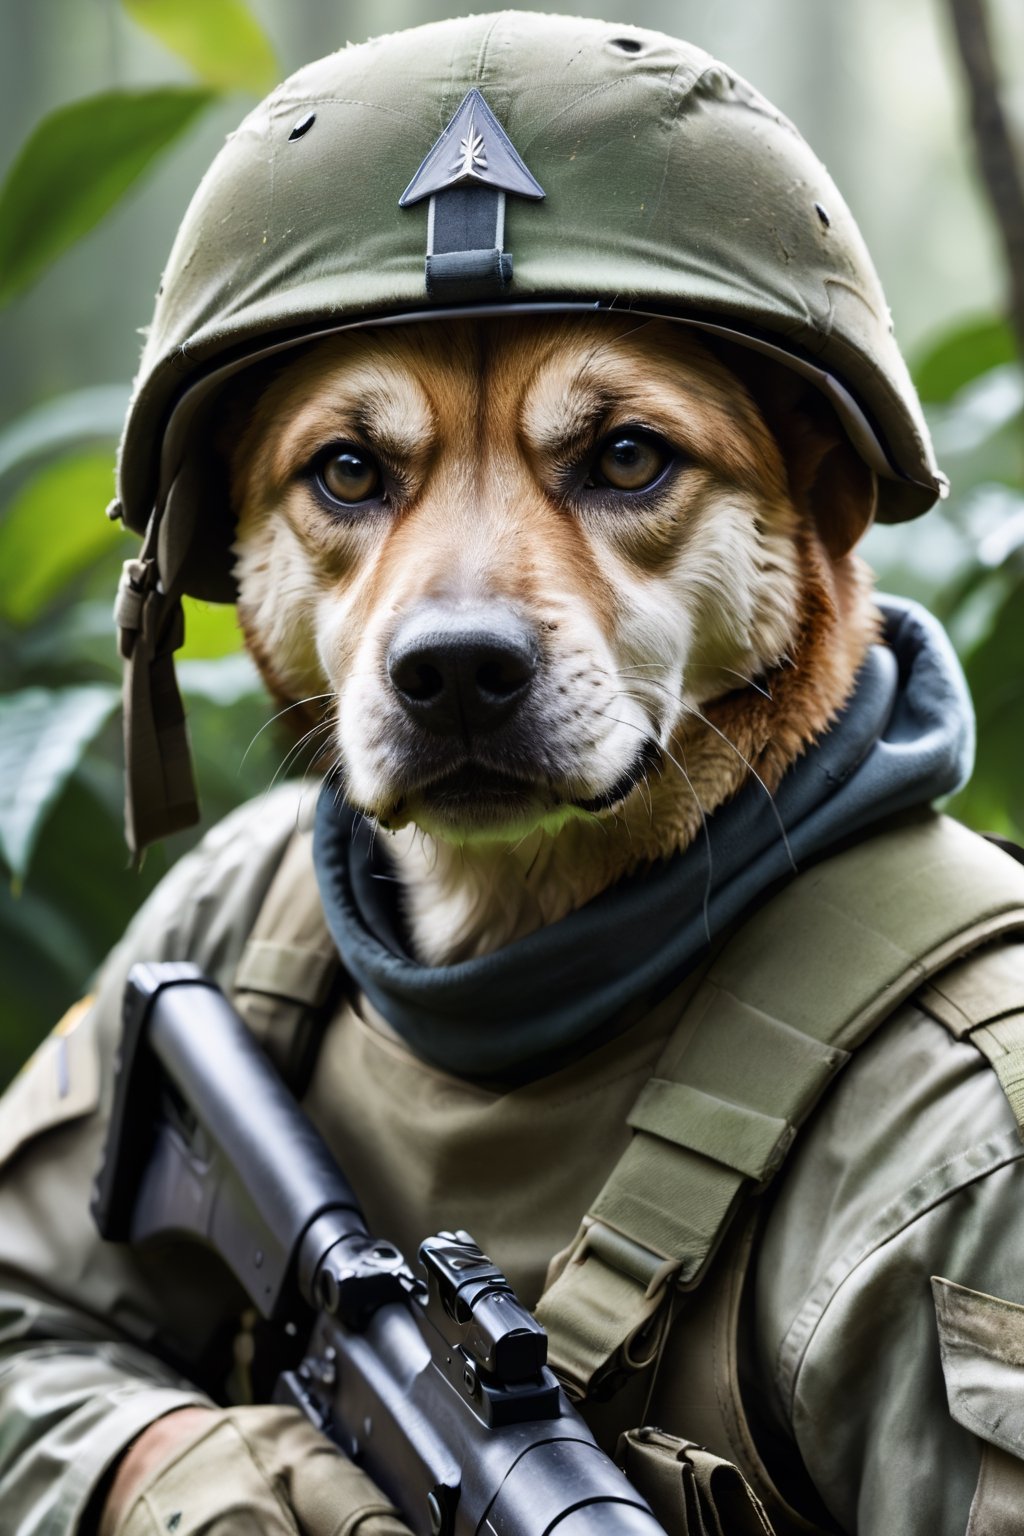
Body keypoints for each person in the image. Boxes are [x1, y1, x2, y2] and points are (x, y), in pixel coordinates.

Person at [2, 14, 1024, 1535]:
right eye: (355, 472)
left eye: (621, 459)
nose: (461, 619)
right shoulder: (257, 926)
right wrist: (229, 1493)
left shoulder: (963, 1129)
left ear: (819, 497)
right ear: (232, 558)